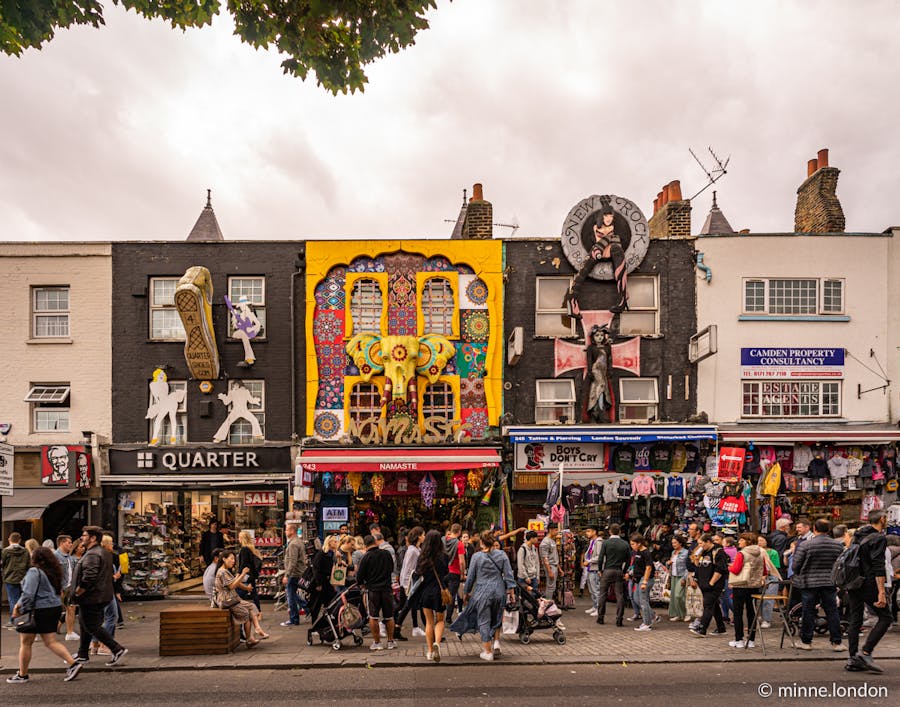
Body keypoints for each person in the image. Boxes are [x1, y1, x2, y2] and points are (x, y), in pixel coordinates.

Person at [6, 547, 83, 684]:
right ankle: (73, 663)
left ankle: (22, 675)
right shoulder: (54, 572)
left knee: (25, 643)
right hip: (53, 608)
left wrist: (19, 608)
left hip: (37, 610)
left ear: (35, 558)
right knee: (51, 641)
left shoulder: (34, 571)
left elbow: (28, 594)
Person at [450, 530, 516, 661]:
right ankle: (495, 642)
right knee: (496, 617)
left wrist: (466, 593)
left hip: (482, 592)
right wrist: (512, 592)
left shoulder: (476, 557)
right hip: (499, 591)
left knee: (484, 620)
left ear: (481, 543)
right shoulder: (502, 555)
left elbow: (471, 578)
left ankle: (487, 651)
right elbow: (509, 575)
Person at [71, 526, 127, 666]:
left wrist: (78, 591)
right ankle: (83, 653)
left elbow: (89, 577)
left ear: (93, 538)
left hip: (92, 596)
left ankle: (116, 648)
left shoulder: (93, 555)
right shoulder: (102, 552)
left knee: (92, 625)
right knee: (85, 624)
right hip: (100, 595)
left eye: (84, 535)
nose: (82, 538)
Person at [845, 509, 892, 673]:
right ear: (882, 519)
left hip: (853, 582)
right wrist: (881, 591)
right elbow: (878, 566)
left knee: (855, 619)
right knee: (886, 617)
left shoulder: (858, 535)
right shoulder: (878, 538)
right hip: (868, 583)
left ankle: (852, 658)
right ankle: (866, 652)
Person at [790, 518, 843, 652]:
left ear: (814, 528)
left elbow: (795, 565)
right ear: (829, 530)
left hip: (809, 582)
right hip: (829, 581)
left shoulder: (806, 545)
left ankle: (806, 641)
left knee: (808, 611)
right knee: (832, 611)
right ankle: (837, 642)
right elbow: (840, 565)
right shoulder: (837, 545)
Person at [214, 550, 266, 646]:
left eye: (234, 559)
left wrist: (245, 586)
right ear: (224, 559)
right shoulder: (222, 572)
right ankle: (249, 638)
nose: (233, 561)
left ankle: (256, 631)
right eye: (231, 559)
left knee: (251, 606)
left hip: (232, 599)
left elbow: (234, 583)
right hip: (227, 600)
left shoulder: (225, 571)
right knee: (246, 612)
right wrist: (242, 574)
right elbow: (232, 586)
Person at [356, 534, 396, 651]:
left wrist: (363, 583)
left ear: (365, 545)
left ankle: (377, 642)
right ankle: (390, 641)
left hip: (373, 590)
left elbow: (359, 577)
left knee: (373, 616)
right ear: (375, 542)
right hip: (387, 589)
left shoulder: (366, 557)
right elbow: (391, 568)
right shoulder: (386, 554)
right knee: (389, 616)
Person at [415, 529, 450, 662]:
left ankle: (429, 651)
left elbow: (418, 573)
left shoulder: (422, 557)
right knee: (440, 620)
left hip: (425, 591)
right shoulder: (443, 556)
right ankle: (437, 643)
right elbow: (446, 573)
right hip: (439, 592)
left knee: (429, 622)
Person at [726, 532, 766, 649]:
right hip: (754, 586)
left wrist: (729, 566)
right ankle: (751, 639)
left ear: (747, 541)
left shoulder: (742, 554)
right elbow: (764, 571)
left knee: (738, 613)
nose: (739, 542)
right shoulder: (761, 553)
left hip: (741, 586)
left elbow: (736, 569)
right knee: (751, 613)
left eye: (741, 540)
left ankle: (739, 639)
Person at [688, 533, 729, 637]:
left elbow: (720, 569)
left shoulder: (718, 552)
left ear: (708, 542)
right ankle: (721, 628)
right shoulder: (703, 552)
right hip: (703, 583)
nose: (700, 546)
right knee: (714, 605)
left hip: (714, 584)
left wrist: (712, 582)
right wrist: (697, 558)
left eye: (701, 543)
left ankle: (702, 628)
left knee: (708, 605)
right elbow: (698, 566)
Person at [90, 534, 122, 657]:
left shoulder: (99, 555)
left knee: (100, 619)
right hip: (105, 591)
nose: (112, 545)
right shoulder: (104, 556)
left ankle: (95, 644)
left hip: (102, 591)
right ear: (105, 544)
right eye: (111, 543)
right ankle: (105, 644)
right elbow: (102, 575)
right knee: (112, 616)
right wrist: (114, 577)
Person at [596, 523, 629, 626]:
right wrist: (625, 571)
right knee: (620, 595)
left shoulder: (606, 543)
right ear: (619, 532)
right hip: (619, 571)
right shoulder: (625, 544)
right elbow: (628, 560)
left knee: (602, 594)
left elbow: (601, 557)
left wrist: (600, 569)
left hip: (607, 570)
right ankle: (619, 619)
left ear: (610, 531)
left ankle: (600, 617)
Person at [397, 526, 425, 638]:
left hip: (415, 582)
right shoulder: (412, 550)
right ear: (418, 536)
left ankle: (397, 627)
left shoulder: (416, 549)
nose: (424, 537)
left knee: (409, 606)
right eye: (423, 535)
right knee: (407, 606)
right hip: (412, 583)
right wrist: (405, 584)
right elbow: (407, 568)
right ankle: (394, 627)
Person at [583, 325, 612, 422]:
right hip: (596, 370)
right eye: (597, 335)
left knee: (603, 390)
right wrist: (590, 372)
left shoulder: (607, 347)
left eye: (601, 335)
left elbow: (609, 360)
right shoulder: (591, 348)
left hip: (604, 372)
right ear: (593, 337)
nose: (599, 337)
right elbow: (589, 360)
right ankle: (596, 410)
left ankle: (600, 409)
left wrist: (609, 371)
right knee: (599, 388)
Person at [628, 534, 657, 631]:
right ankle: (652, 615)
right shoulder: (636, 552)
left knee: (643, 600)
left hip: (645, 579)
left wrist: (645, 581)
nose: (632, 546)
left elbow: (648, 567)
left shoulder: (646, 553)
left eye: (633, 544)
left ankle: (647, 623)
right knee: (636, 598)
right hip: (638, 578)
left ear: (639, 543)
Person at [281, 523, 307, 627]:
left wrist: (287, 575)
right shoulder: (298, 541)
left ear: (292, 531)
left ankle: (294, 619)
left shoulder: (293, 544)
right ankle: (308, 608)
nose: (285, 532)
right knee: (293, 594)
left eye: (287, 530)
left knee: (290, 596)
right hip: (297, 572)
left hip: (293, 573)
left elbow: (292, 561)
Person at [54, 534, 79, 640]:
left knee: (71, 608)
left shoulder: (70, 557)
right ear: (61, 543)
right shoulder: (55, 556)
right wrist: (58, 588)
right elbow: (54, 574)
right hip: (61, 587)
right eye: (68, 542)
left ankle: (69, 632)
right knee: (56, 610)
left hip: (69, 587)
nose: (71, 544)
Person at [3, 532, 30, 625]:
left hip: (10, 578)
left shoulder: (5, 551)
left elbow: (3, 564)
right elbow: (28, 565)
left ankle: (13, 620)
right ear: (19, 540)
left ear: (9, 539)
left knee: (12, 599)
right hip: (23, 578)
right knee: (23, 599)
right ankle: (23, 619)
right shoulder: (25, 551)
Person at [307, 538, 335, 624]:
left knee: (329, 602)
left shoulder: (332, 554)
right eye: (334, 541)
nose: (336, 543)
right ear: (329, 543)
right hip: (320, 582)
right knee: (316, 604)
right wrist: (318, 584)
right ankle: (314, 623)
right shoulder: (321, 554)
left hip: (328, 582)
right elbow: (316, 570)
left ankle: (327, 622)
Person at [756, 535, 781, 628]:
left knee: (768, 599)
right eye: (758, 540)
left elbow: (774, 567)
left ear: (767, 541)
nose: (760, 542)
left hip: (771, 578)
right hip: (757, 578)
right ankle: (760, 616)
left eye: (762, 540)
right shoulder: (755, 552)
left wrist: (765, 573)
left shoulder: (773, 552)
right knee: (758, 599)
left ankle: (767, 619)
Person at [443, 524, 466, 622]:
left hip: (443, 571)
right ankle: (448, 619)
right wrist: (462, 573)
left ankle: (439, 616)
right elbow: (461, 561)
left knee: (443, 594)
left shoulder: (443, 540)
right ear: (459, 532)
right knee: (451, 596)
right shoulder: (459, 544)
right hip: (454, 572)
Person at [237, 530, 263, 614]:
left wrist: (238, 574)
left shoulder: (244, 549)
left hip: (246, 574)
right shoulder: (251, 548)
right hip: (251, 574)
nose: (238, 539)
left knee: (239, 592)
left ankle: (239, 609)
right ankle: (259, 612)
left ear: (242, 538)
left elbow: (243, 563)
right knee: (253, 592)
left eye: (239, 537)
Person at [667, 534, 689, 621]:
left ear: (680, 543)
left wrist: (685, 577)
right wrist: (668, 563)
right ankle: (678, 614)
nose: (673, 545)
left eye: (675, 543)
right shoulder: (673, 552)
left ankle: (686, 613)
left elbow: (688, 566)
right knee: (673, 596)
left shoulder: (686, 552)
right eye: (672, 543)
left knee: (679, 595)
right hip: (674, 575)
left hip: (682, 575)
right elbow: (671, 563)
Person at [581, 526, 602, 616]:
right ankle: (594, 606)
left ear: (594, 532)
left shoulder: (598, 542)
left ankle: (599, 608)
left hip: (595, 568)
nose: (587, 533)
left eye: (589, 531)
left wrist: (588, 561)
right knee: (591, 589)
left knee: (596, 589)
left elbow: (599, 556)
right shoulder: (592, 542)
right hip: (590, 568)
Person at [540, 522, 560, 601]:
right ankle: (548, 603)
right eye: (555, 530)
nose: (557, 532)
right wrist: (549, 571)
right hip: (550, 567)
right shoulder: (545, 542)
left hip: (554, 566)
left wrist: (559, 569)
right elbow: (545, 558)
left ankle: (549, 603)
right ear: (550, 530)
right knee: (550, 586)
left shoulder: (552, 541)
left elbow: (554, 556)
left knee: (552, 586)